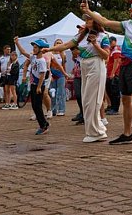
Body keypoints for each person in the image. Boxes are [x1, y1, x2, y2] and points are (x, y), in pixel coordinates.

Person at [83, 0, 132, 148]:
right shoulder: (128, 24)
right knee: (125, 99)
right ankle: (127, 134)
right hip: (125, 64)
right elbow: (105, 22)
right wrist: (88, 11)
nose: (130, 9)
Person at [42, 14, 111, 143]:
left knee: (92, 100)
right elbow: (65, 45)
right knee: (86, 100)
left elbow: (106, 55)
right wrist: (49, 49)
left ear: (96, 21)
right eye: (86, 19)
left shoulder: (103, 36)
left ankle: (96, 132)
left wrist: (95, 44)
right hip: (84, 65)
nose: (86, 21)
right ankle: (97, 129)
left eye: (89, 19)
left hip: (96, 64)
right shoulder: (81, 36)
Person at [20, 38, 51, 135]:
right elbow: (23, 52)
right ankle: (44, 123)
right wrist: (17, 43)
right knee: (34, 106)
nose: (33, 49)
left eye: (35, 47)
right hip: (33, 85)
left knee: (37, 106)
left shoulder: (42, 61)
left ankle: (43, 126)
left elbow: (42, 75)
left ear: (41, 49)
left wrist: (39, 87)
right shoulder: (33, 57)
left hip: (38, 85)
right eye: (33, 47)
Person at [105, 37, 122, 115]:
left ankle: (115, 108)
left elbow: (117, 62)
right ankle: (112, 106)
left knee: (115, 92)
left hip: (115, 74)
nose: (110, 43)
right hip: (109, 74)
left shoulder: (116, 50)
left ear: (115, 41)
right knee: (109, 91)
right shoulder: (111, 50)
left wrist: (113, 73)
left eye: (111, 42)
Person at [70, 47, 84, 124]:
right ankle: (81, 112)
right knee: (78, 95)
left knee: (83, 96)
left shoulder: (84, 55)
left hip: (84, 77)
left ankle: (84, 114)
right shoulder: (76, 57)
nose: (72, 52)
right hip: (77, 77)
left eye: (73, 50)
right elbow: (74, 60)